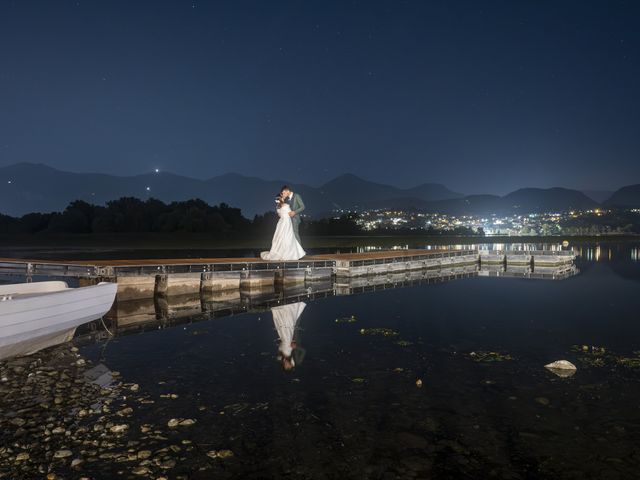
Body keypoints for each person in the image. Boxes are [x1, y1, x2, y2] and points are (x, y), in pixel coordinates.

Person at [260, 192, 306, 261]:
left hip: (281, 223)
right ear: (281, 199)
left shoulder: (277, 207)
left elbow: (279, 215)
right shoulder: (287, 206)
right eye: (283, 197)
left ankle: (280, 252)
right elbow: (290, 214)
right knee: (289, 237)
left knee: (280, 237)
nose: (284, 197)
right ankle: (290, 254)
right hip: (287, 223)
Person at [271, 302, 307, 371]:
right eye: (288, 366)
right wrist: (296, 347)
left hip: (285, 337)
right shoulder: (297, 361)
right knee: (293, 320)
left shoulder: (280, 359)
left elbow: (280, 348)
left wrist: (281, 354)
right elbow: (303, 351)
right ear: (291, 366)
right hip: (293, 338)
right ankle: (293, 306)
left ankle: (282, 307)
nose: (286, 365)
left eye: (285, 366)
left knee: (283, 323)